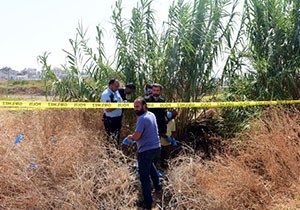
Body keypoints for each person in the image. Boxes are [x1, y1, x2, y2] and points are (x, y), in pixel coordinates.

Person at [126, 96, 162, 210]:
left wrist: (130, 138)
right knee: (151, 167)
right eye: (134, 107)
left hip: (146, 150)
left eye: (138, 106)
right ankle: (158, 187)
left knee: (144, 177)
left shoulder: (142, 118)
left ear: (144, 106)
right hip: (156, 148)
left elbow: (137, 136)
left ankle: (147, 203)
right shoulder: (151, 114)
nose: (135, 109)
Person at [100, 79, 123, 148]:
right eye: (116, 86)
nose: (118, 88)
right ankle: (110, 155)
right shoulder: (106, 94)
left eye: (118, 86)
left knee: (116, 138)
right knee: (111, 138)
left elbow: (120, 102)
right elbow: (107, 109)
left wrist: (123, 103)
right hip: (110, 120)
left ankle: (115, 153)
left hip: (118, 119)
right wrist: (118, 105)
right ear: (111, 85)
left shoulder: (116, 92)